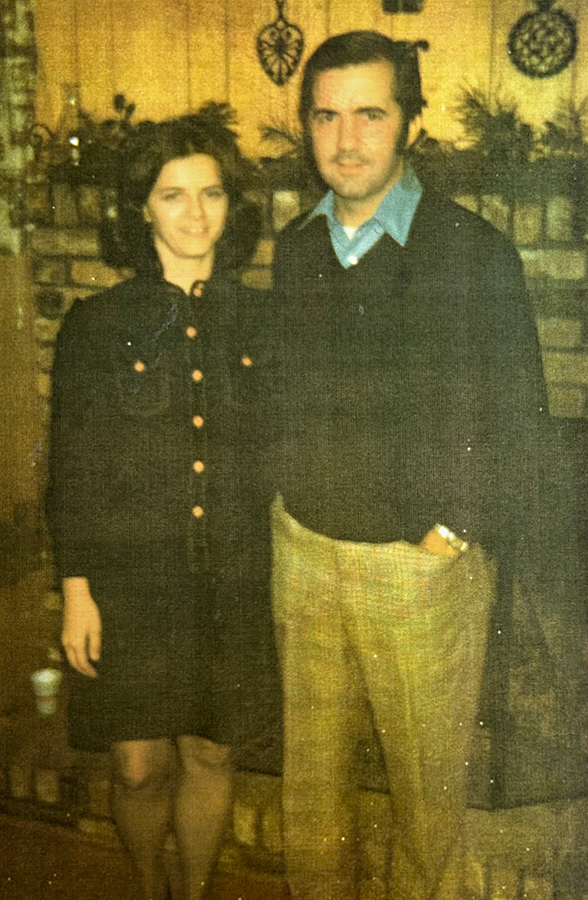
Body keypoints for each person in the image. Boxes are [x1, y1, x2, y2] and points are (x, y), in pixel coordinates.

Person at [271, 30, 587, 900]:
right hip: (302, 554)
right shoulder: (296, 250)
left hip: (419, 572)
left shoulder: (469, 252)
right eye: (326, 116)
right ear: (306, 127)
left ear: (410, 122)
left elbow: (519, 421)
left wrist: (452, 534)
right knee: (311, 801)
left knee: (425, 812)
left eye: (370, 114)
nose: (345, 139)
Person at [47, 106, 278, 900]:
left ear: (230, 206)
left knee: (212, 753)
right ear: (140, 207)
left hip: (231, 580)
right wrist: (76, 590)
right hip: (131, 584)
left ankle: (196, 893)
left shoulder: (262, 320)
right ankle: (151, 888)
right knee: (138, 767)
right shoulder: (96, 325)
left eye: (210, 193)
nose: (193, 213)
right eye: (172, 194)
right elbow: (70, 469)